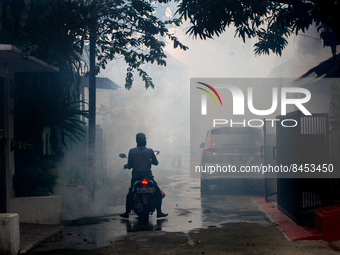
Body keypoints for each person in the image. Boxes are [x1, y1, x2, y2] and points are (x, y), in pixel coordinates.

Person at [120, 133, 168, 218]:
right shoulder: (150, 151)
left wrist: (127, 166)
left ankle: (127, 213)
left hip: (136, 177)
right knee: (157, 193)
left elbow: (130, 165)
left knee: (130, 194)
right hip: (148, 177)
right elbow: (156, 162)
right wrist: (151, 161)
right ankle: (159, 212)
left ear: (137, 141)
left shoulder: (132, 151)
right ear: (145, 141)